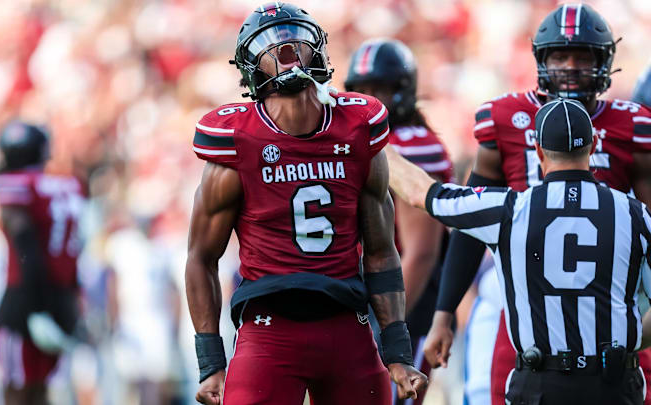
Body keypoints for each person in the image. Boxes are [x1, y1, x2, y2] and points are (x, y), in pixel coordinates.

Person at [185, 3, 428, 404]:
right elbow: (200, 256)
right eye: (270, 45)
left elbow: (382, 253)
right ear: (251, 66)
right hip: (269, 328)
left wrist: (398, 354)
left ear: (319, 50)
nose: (286, 52)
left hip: (347, 323)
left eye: (296, 39)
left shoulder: (356, 132)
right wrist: (211, 361)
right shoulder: (237, 141)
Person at [420, 4, 651, 405]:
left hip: (604, 295)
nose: (571, 67)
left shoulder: (633, 127)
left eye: (584, 56)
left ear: (605, 62)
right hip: (522, 296)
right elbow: (472, 228)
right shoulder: (506, 118)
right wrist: (445, 311)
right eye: (560, 56)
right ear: (542, 60)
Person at [389, 97, 651, 405]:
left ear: (538, 150)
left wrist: (376, 139)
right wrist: (628, 341)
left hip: (540, 383)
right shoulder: (636, 215)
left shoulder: (509, 209)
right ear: (593, 147)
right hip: (613, 384)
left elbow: (420, 193)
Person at [344, 38, 453, 405]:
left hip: (409, 295)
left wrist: (388, 328)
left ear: (402, 90)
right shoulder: (379, 139)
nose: (371, 99)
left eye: (380, 89)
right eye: (362, 91)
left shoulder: (410, 143)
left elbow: (421, 252)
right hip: (377, 289)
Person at [0, 120, 86, 405]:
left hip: (26, 302)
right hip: (62, 298)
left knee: (17, 390)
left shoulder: (17, 185)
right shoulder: (70, 185)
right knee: (41, 390)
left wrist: (36, 308)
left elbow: (26, 244)